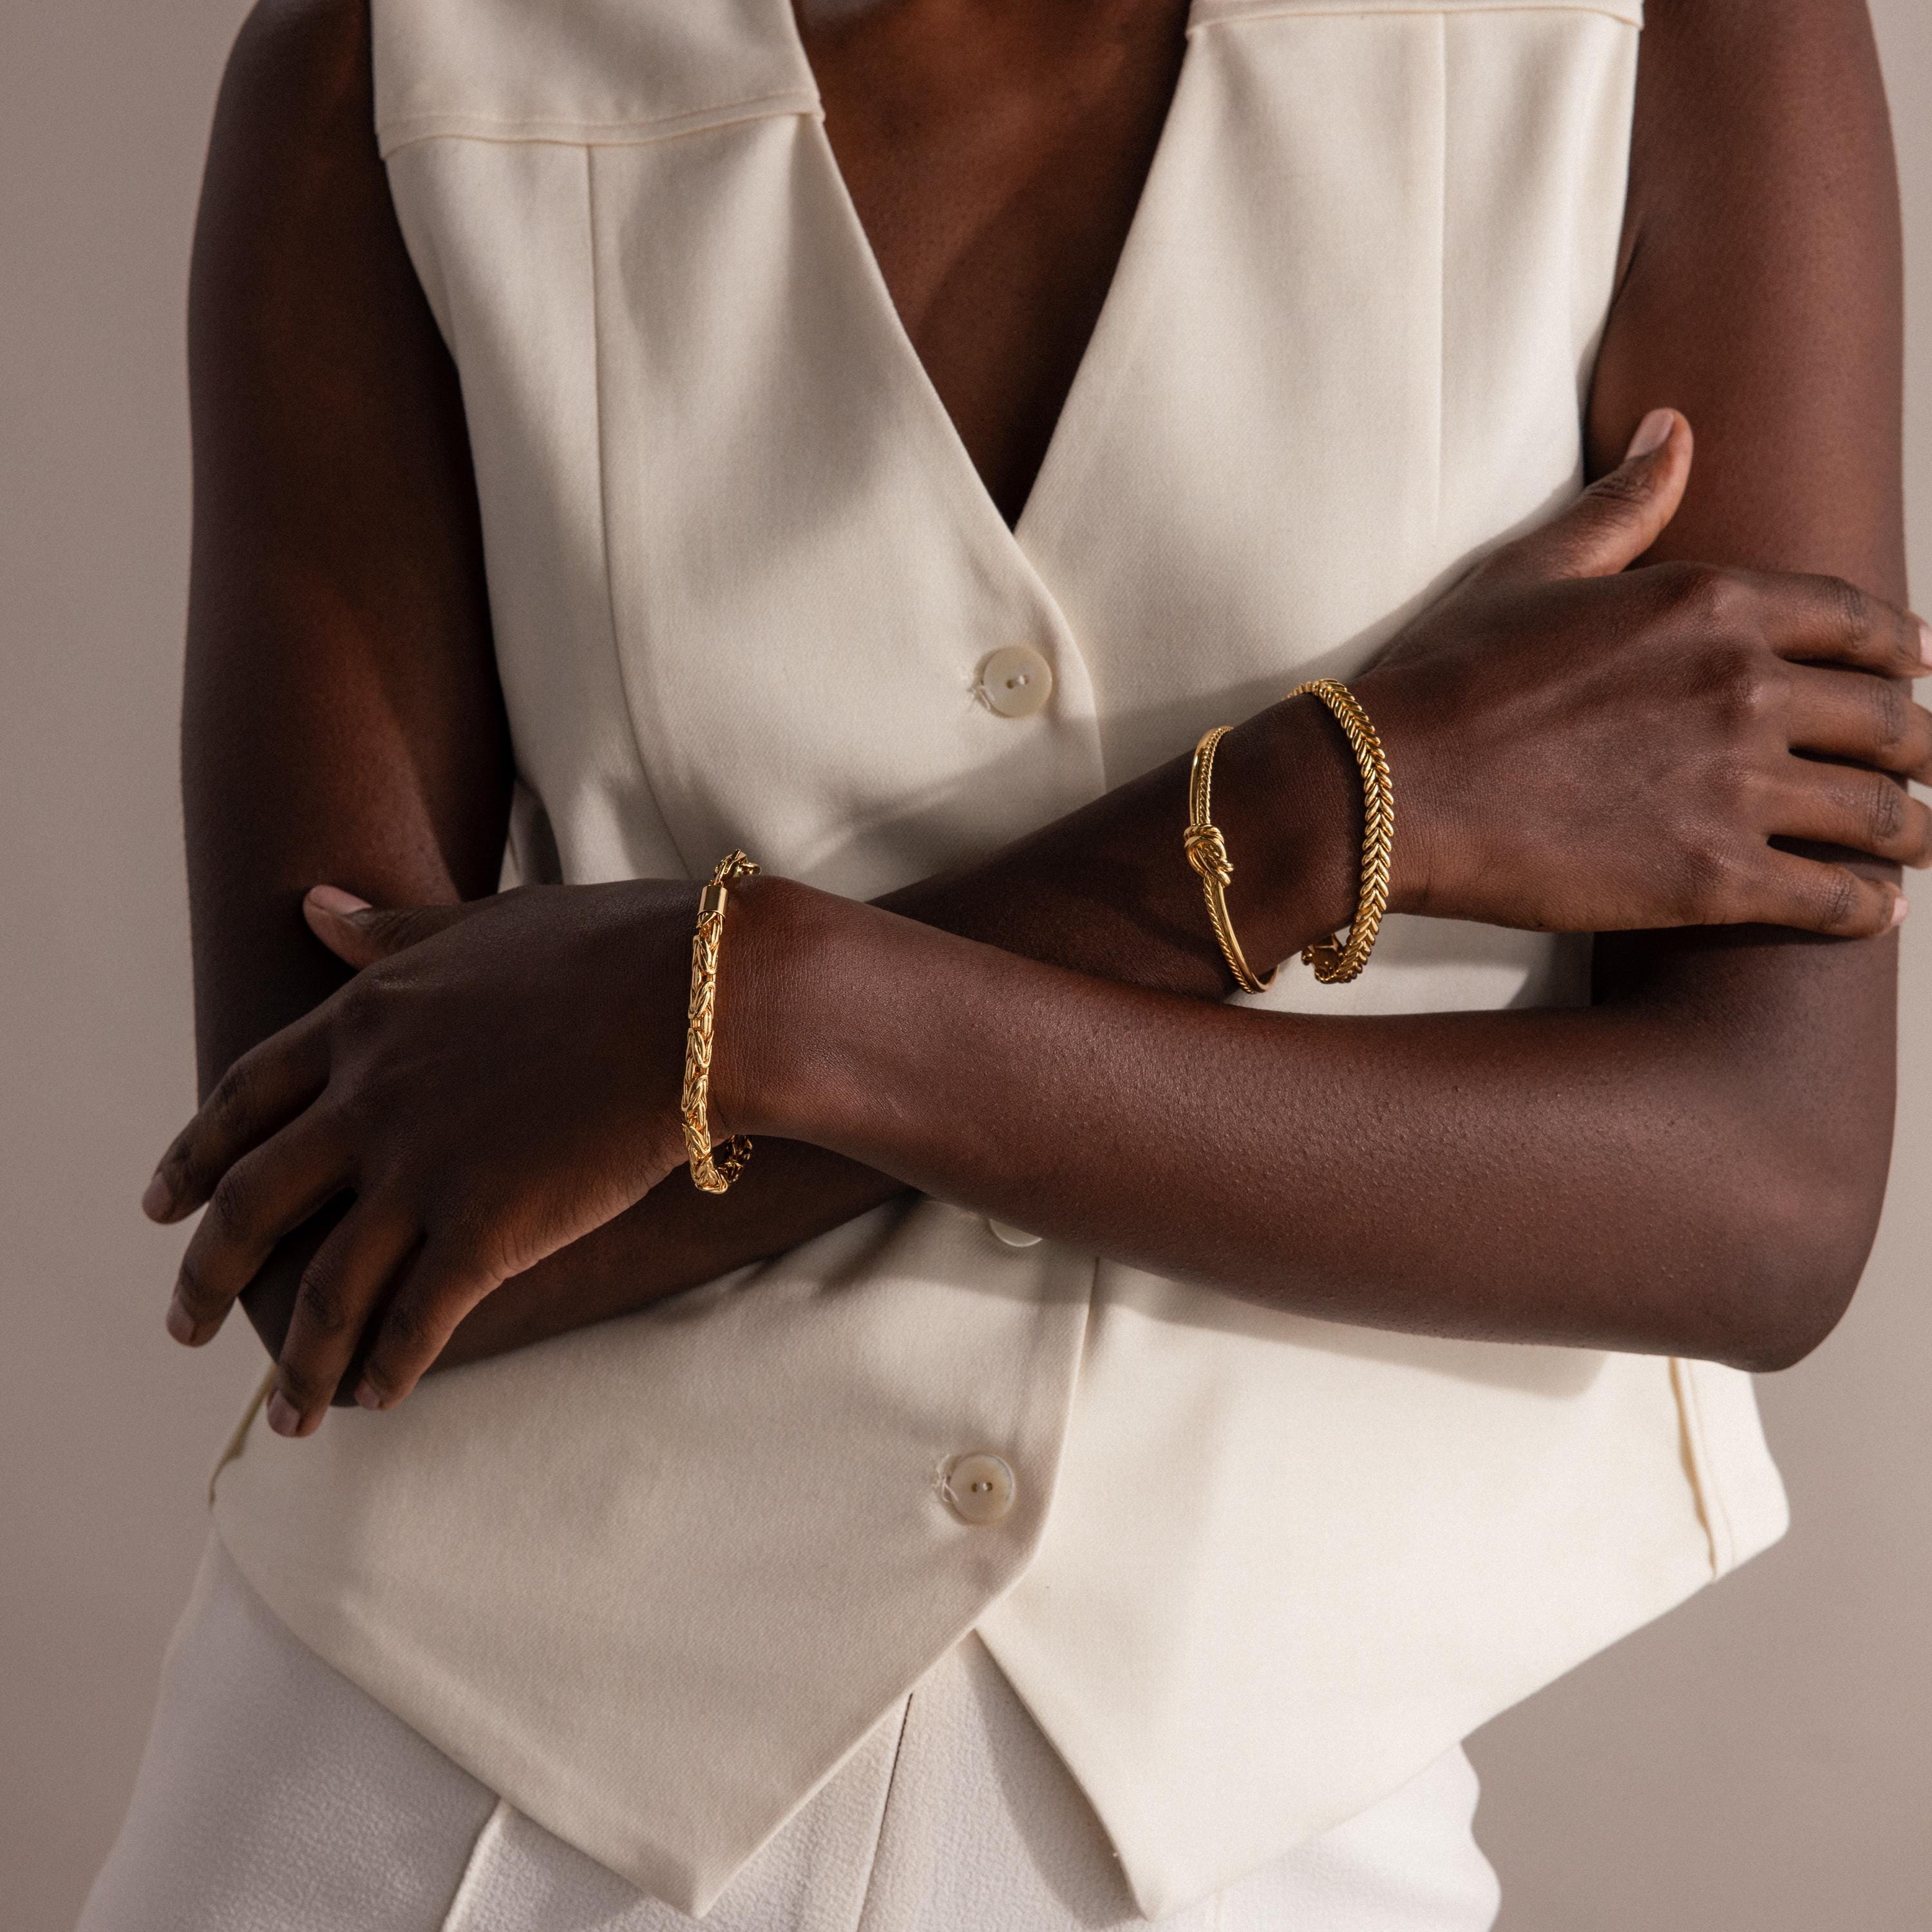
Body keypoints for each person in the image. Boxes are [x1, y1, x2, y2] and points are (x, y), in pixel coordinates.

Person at [82, 0, 1917, 1926]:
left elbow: (1762, 1193)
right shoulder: (397, 55)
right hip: (433, 1804)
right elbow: (328, 1237)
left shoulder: (1683, 35)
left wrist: (749, 1012)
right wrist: (1311, 817)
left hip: (1243, 1826)